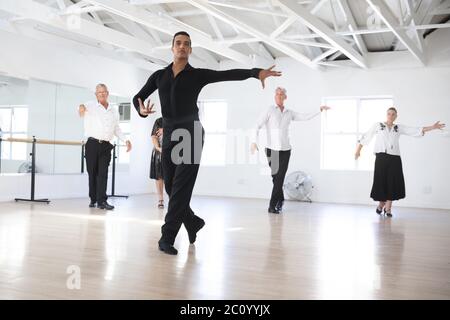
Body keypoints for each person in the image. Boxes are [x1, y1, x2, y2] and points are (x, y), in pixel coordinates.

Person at [133, 31, 281, 255]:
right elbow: (138, 97)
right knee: (172, 187)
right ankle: (192, 222)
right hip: (170, 135)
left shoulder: (197, 75)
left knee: (181, 187)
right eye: (178, 43)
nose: (182, 47)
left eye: (187, 44)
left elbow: (228, 74)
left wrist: (255, 72)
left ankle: (167, 237)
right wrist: (141, 110)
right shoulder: (158, 76)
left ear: (190, 50)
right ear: (172, 48)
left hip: (191, 134)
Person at [251, 87, 330, 214]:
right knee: (276, 178)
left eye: (281, 94)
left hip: (285, 150)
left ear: (285, 97)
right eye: (276, 94)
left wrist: (319, 110)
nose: (278, 96)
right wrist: (253, 141)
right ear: (274, 96)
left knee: (279, 177)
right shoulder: (269, 110)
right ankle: (281, 199)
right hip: (272, 150)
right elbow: (257, 125)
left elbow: (304, 117)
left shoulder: (289, 112)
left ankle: (272, 205)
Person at [355, 107, 445, 217]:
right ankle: (381, 204)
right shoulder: (378, 126)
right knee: (382, 182)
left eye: (393, 114)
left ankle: (388, 209)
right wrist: (358, 150)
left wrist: (433, 127)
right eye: (389, 114)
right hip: (381, 157)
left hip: (394, 159)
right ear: (386, 115)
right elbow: (366, 136)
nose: (391, 116)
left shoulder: (398, 127)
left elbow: (415, 130)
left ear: (396, 116)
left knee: (392, 183)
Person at [79, 83, 132, 210]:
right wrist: (81, 108)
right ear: (96, 94)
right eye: (99, 92)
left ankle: (102, 201)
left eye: (104, 92)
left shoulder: (113, 110)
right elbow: (81, 107)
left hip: (106, 146)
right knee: (92, 173)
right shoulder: (90, 105)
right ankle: (93, 198)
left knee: (103, 173)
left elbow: (116, 128)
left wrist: (126, 140)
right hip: (92, 144)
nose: (102, 94)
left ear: (107, 93)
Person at [150, 117, 165, 209]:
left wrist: (166, 130)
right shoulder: (159, 121)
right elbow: (154, 137)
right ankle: (160, 199)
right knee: (159, 176)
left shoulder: (178, 119)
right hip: (159, 151)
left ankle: (173, 199)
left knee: (173, 177)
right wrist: (159, 148)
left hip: (174, 151)